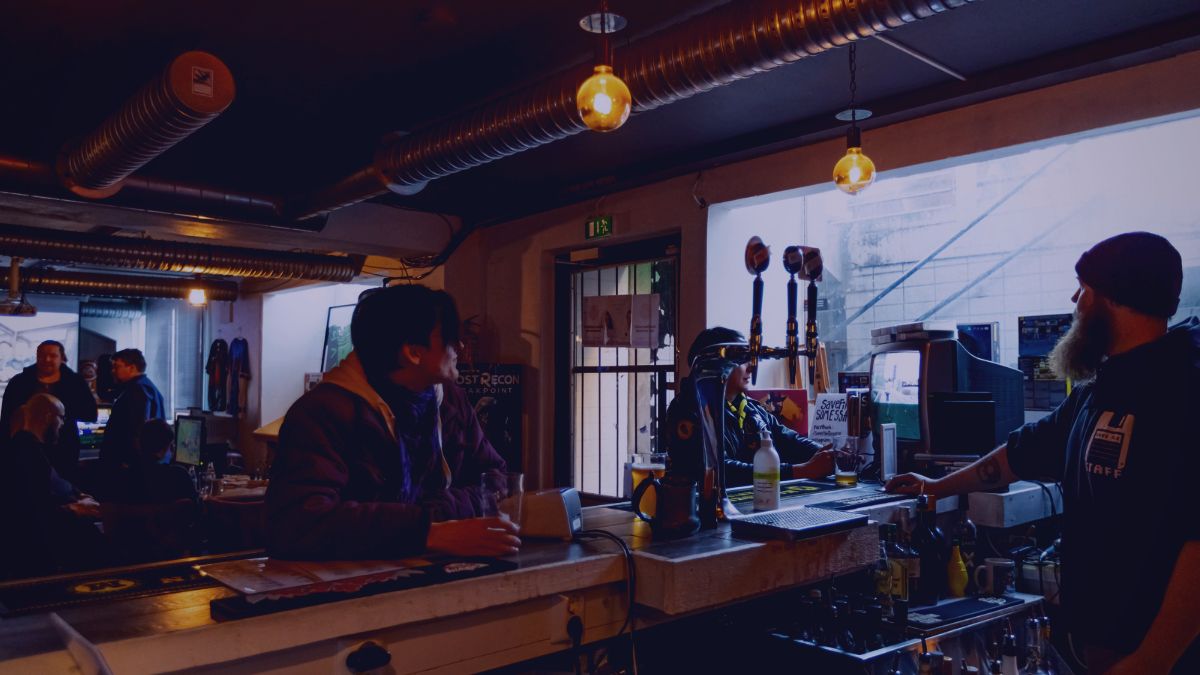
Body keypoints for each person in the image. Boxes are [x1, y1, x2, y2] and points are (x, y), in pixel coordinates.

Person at [885, 232, 1198, 675]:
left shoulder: (1183, 390)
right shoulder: (1100, 390)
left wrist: (1154, 659)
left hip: (1156, 657)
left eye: (1084, 289)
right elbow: (1018, 456)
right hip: (1102, 643)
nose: (1075, 300)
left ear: (1114, 297)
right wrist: (937, 486)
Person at [265, 284, 519, 560]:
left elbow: (495, 478)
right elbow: (299, 523)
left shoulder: (451, 401)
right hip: (351, 592)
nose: (459, 346)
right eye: (448, 337)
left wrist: (435, 513)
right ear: (413, 352)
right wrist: (425, 531)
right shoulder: (322, 412)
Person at [665, 327, 835, 486]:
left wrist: (828, 455)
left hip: (753, 506)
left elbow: (789, 441)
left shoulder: (750, 408)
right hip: (702, 513)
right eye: (742, 360)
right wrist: (800, 472)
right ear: (712, 366)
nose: (752, 367)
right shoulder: (687, 411)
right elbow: (719, 471)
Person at [0, 393, 102, 578]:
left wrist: (78, 495)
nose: (63, 424)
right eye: (61, 418)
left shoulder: (30, 448)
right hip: (38, 550)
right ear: (48, 416)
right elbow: (30, 511)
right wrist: (75, 508)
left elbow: (56, 484)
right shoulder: (26, 454)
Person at [0, 340, 98, 478]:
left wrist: (58, 415)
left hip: (64, 448)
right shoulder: (20, 382)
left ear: (61, 358)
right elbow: (6, 418)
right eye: (42, 355)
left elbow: (90, 414)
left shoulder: (75, 382)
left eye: (52, 355)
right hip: (26, 449)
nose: (46, 359)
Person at [107, 419, 199, 505]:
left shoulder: (123, 478)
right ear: (160, 451)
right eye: (170, 446)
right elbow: (197, 508)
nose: (172, 450)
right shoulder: (179, 475)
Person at [101, 348, 166, 468]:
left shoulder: (137, 390)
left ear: (132, 368)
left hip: (130, 466)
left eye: (117, 366)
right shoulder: (147, 387)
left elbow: (138, 430)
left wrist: (129, 462)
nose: (113, 371)